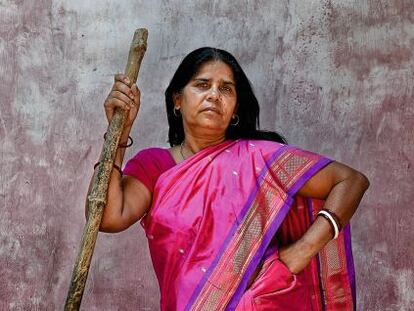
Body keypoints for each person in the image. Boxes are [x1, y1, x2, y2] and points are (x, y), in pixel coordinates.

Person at [88, 47, 369, 310]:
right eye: (202, 84)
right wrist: (120, 133)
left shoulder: (260, 158)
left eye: (225, 89)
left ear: (234, 109)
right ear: (177, 100)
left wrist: (300, 252)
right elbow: (107, 217)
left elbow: (351, 181)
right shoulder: (155, 166)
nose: (213, 95)